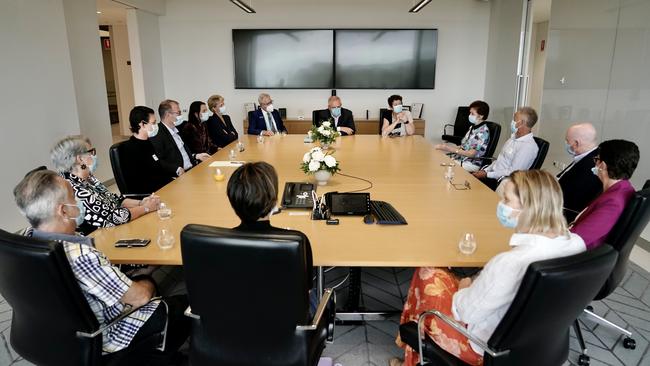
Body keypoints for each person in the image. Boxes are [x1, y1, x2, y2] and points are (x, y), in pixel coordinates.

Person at [390, 170, 586, 366]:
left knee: (427, 273)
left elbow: (464, 312)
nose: (500, 205)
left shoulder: (511, 262)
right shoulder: (577, 245)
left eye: (507, 200)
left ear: (530, 209)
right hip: (543, 344)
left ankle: (412, 359)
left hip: (486, 348)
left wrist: (465, 286)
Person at [13, 170, 190, 363]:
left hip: (56, 337)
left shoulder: (21, 240)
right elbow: (140, 298)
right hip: (109, 337)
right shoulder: (80, 256)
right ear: (64, 211)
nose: (78, 201)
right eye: (73, 196)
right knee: (185, 302)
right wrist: (146, 280)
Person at [227, 162, 317, 314]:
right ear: (274, 201)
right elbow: (305, 291)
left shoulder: (215, 241)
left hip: (232, 319)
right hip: (285, 326)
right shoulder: (295, 241)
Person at [51, 135, 160, 235]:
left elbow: (114, 199)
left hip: (113, 231)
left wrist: (141, 202)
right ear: (80, 159)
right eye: (91, 152)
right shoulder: (73, 189)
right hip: (98, 238)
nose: (94, 156)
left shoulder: (88, 178)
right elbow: (113, 218)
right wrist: (146, 208)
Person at [570, 139, 640, 249]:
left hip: (580, 253)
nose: (595, 162)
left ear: (602, 165)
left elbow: (577, 238)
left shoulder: (613, 202)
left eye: (596, 159)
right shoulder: (624, 189)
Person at [472, 107, 539, 190]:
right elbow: (500, 160)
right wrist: (486, 170)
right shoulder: (513, 138)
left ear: (521, 123)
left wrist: (487, 174)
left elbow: (513, 172)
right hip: (493, 175)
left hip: (503, 182)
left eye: (514, 119)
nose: (512, 122)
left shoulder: (528, 147)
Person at [119, 106, 175, 195]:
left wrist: (173, 181)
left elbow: (159, 168)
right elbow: (139, 182)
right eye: (153, 123)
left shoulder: (148, 142)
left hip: (163, 188)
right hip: (150, 195)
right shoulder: (130, 149)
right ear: (142, 124)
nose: (156, 126)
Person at [150, 99, 210, 177]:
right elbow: (159, 161)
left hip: (193, 169)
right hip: (180, 176)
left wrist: (196, 156)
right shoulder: (158, 134)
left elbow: (182, 153)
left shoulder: (177, 129)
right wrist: (176, 169)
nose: (181, 115)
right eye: (178, 113)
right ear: (168, 115)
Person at [557, 123, 602, 222]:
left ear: (576, 144)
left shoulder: (591, 167)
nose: (566, 144)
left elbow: (569, 201)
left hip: (561, 215)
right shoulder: (588, 156)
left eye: (567, 141)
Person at [434, 100, 491, 172]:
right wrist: (445, 147)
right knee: (438, 158)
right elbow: (464, 146)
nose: (470, 115)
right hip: (461, 158)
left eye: (472, 114)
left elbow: (471, 154)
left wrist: (449, 149)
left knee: (441, 166)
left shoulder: (482, 132)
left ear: (481, 116)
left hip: (471, 163)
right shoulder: (472, 128)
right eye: (470, 113)